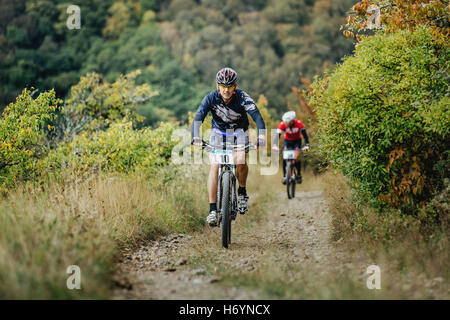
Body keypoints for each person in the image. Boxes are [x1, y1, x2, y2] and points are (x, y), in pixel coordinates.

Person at [191, 67, 266, 227]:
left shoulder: (243, 98)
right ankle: (212, 210)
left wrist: (261, 136)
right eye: (223, 86)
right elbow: (198, 117)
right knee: (215, 165)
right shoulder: (211, 98)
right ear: (217, 86)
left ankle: (242, 193)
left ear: (235, 86)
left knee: (239, 159)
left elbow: (257, 117)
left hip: (239, 132)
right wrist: (195, 136)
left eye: (230, 86)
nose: (226, 90)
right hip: (218, 134)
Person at [272, 111, 309, 184]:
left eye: (287, 122)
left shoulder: (299, 124)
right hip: (287, 141)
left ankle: (298, 174)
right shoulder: (282, 124)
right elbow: (277, 135)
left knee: (296, 157)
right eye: (285, 121)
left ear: (292, 121)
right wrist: (275, 145)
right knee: (285, 157)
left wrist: (307, 144)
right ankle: (285, 176)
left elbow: (305, 135)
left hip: (297, 141)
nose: (286, 123)